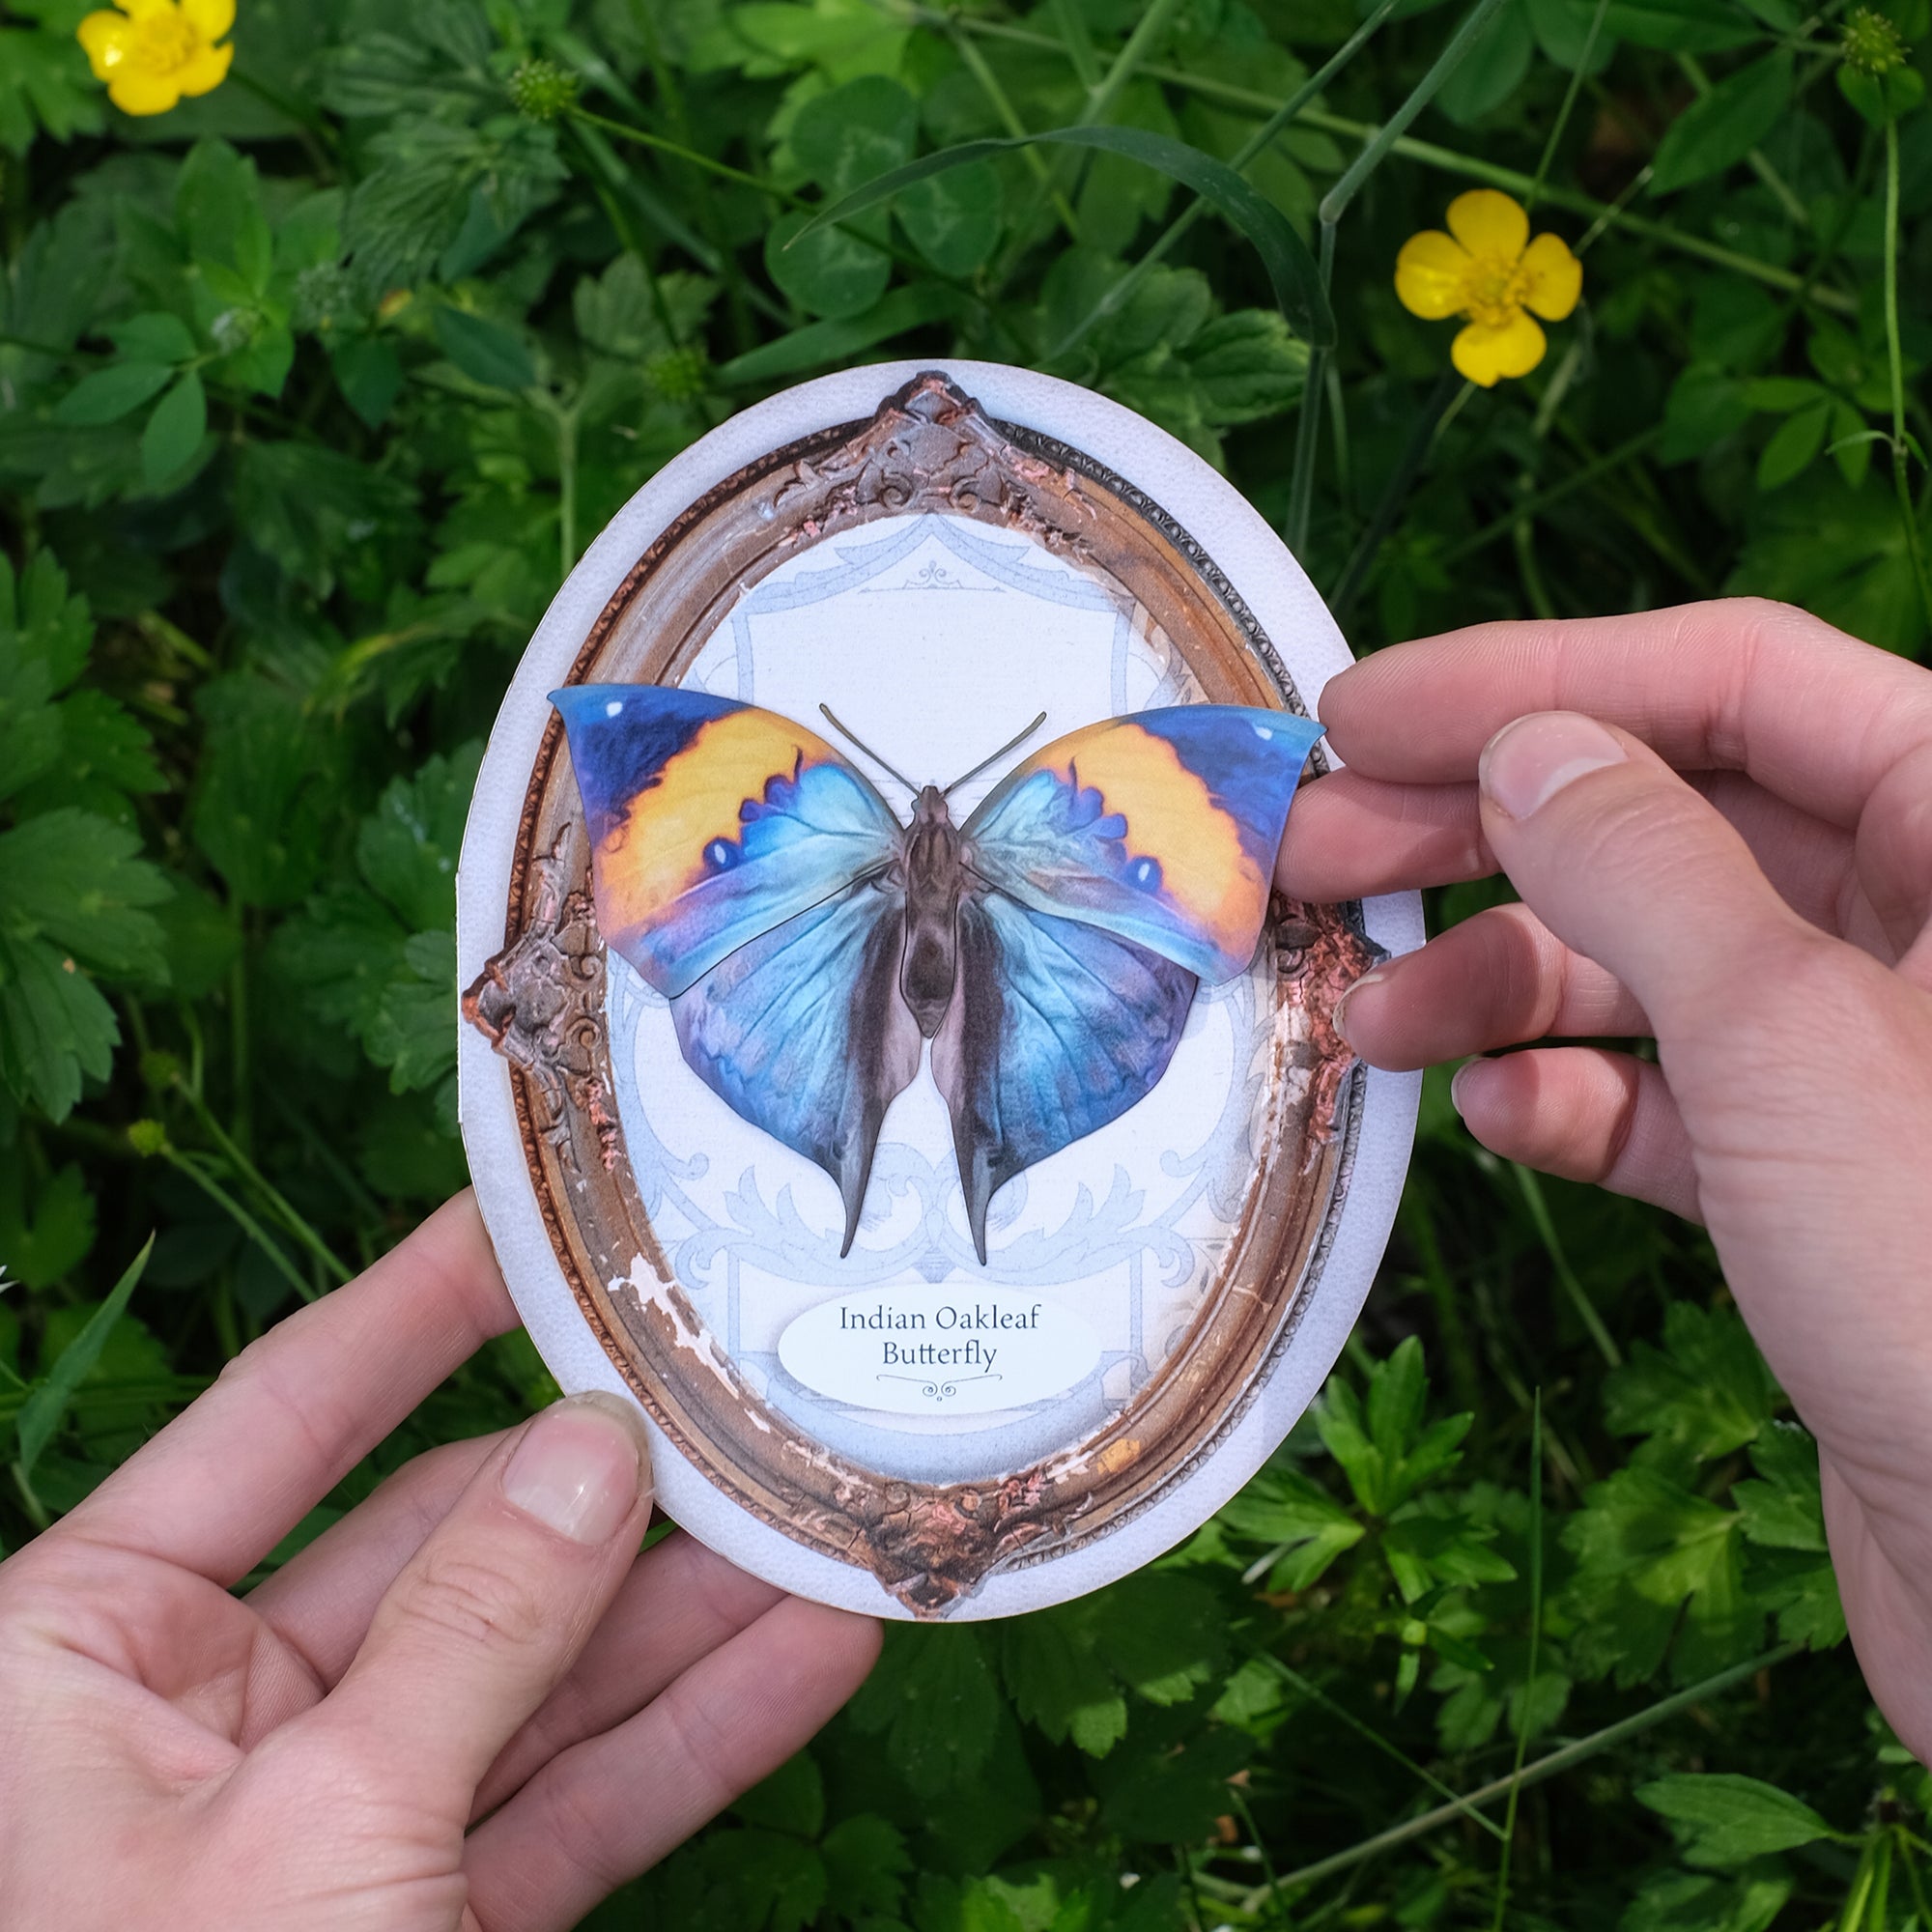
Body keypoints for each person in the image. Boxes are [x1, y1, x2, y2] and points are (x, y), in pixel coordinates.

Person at [0, 597, 1924, 1926]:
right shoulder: (1072, 793)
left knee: (902, 1119)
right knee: (928, 1124)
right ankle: (919, 1164)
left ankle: (902, 1165)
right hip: (1009, 963)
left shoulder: (804, 790)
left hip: (822, 958)